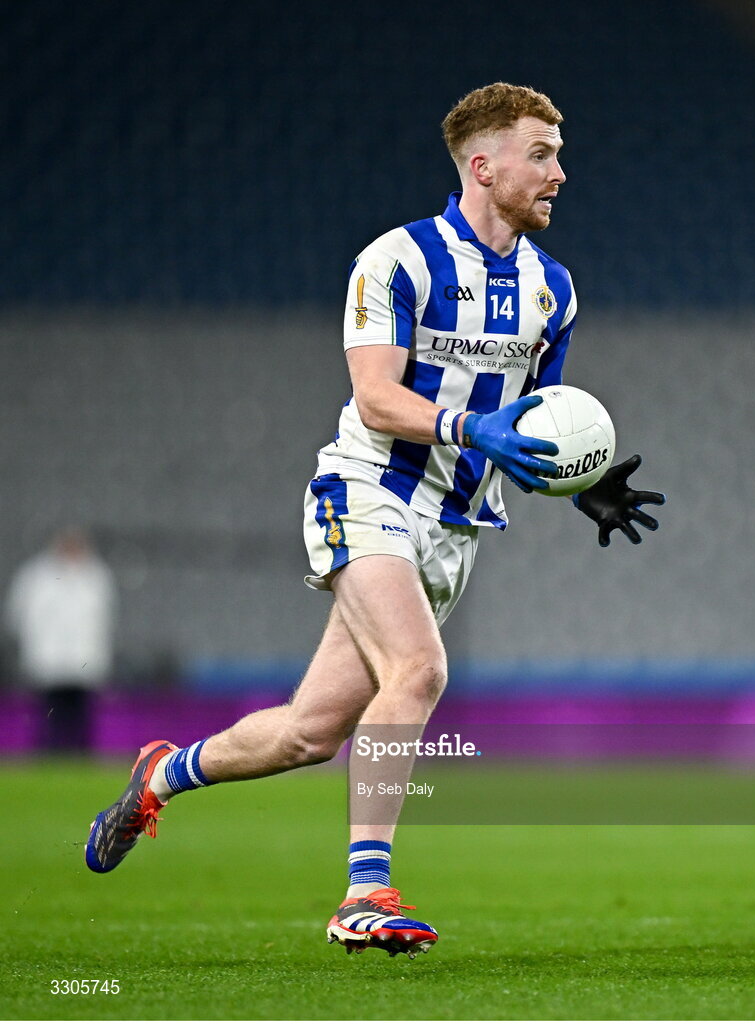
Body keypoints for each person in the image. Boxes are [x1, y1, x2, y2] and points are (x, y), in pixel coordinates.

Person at [85, 82, 664, 958]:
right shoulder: (397, 261)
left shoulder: (554, 290)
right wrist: (473, 428)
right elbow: (375, 396)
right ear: (483, 165)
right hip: (367, 490)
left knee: (308, 734)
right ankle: (366, 891)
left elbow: (534, 414)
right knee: (421, 670)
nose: (560, 174)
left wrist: (579, 482)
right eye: (540, 154)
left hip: (452, 531)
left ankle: (157, 777)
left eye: (557, 154)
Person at [5, 526, 117, 752]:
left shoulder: (96, 575)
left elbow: (104, 620)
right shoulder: (36, 575)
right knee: (50, 714)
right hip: (49, 660)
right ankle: (48, 754)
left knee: (81, 717)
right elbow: (16, 615)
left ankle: (80, 756)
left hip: (84, 661)